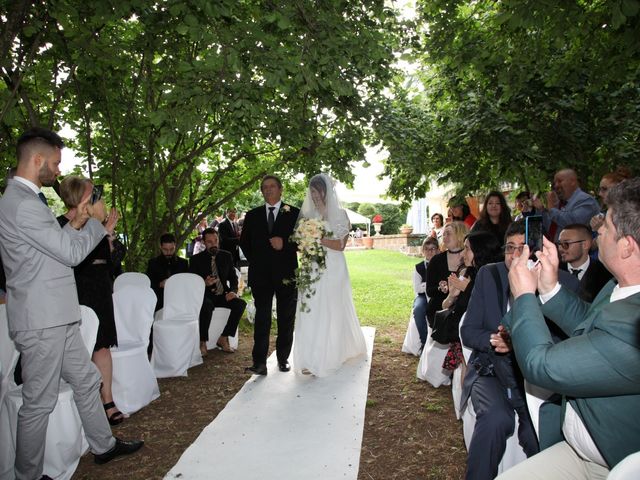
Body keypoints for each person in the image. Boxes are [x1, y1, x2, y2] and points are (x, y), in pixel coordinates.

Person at [0, 128, 142, 480]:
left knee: (86, 379)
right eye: (55, 163)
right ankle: (27, 475)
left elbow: (48, 250)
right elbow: (68, 255)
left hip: (56, 315)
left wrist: (78, 221)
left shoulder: (30, 200)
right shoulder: (20, 203)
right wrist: (95, 225)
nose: (58, 171)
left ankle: (103, 446)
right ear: (37, 160)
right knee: (39, 403)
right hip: (42, 319)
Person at [495, 177, 640, 479]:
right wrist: (549, 288)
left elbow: (541, 364)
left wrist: (524, 295)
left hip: (611, 463)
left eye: (607, 227)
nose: (598, 230)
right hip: (576, 450)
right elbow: (591, 323)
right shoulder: (620, 286)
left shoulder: (632, 330)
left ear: (627, 247)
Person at [460, 220, 579, 480]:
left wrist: (518, 344)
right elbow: (468, 331)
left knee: (536, 434)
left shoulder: (560, 284)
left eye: (521, 249)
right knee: (495, 420)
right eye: (509, 248)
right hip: (489, 369)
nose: (514, 256)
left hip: (536, 381)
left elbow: (569, 342)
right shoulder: (489, 275)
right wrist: (496, 340)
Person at [57, 176, 124, 426]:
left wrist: (109, 239)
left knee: (102, 345)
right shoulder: (58, 227)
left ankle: (108, 401)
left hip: (100, 289)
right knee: (78, 349)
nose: (101, 201)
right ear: (81, 199)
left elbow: (112, 263)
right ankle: (84, 405)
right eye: (95, 196)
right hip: (74, 292)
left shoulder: (98, 226)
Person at [292, 174, 367, 376]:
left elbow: (341, 245)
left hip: (333, 267)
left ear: (324, 191)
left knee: (331, 308)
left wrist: (319, 239)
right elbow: (300, 245)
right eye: (311, 192)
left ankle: (333, 353)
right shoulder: (309, 216)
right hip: (312, 267)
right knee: (311, 310)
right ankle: (310, 357)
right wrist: (306, 244)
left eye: (315, 192)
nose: (313, 196)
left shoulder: (340, 215)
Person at [239, 175, 300, 375]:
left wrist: (285, 244)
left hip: (286, 275)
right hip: (261, 276)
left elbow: (303, 241)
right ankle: (259, 363)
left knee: (285, 318)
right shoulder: (253, 215)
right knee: (262, 319)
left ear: (281, 189)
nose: (268, 190)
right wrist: (258, 261)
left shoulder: (294, 213)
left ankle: (283, 359)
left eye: (272, 186)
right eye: (264, 187)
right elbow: (245, 243)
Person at [439, 231, 502, 373]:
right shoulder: (466, 273)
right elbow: (445, 306)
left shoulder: (495, 277)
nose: (462, 254)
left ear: (480, 251)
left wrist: (468, 289)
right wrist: (452, 295)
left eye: (467, 249)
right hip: (461, 337)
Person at [190, 228, 246, 355]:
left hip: (223, 295)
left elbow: (233, 277)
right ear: (204, 243)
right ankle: (202, 341)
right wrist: (203, 283)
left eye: (216, 241)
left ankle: (224, 337)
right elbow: (192, 283)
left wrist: (233, 291)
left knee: (240, 304)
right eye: (209, 242)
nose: (214, 244)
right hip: (205, 295)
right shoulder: (195, 260)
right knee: (206, 305)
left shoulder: (226, 256)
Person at [533, 168, 600, 241]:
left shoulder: (586, 200)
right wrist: (542, 209)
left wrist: (551, 208)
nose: (556, 186)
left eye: (560, 181)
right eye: (555, 183)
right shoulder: (561, 204)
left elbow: (572, 224)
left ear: (573, 181)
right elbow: (551, 229)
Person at [426, 221, 468, 328]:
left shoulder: (470, 257)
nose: (444, 237)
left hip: (464, 309)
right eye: (443, 234)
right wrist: (440, 288)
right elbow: (429, 290)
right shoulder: (436, 260)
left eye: (448, 233)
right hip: (440, 310)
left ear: (460, 235)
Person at [557, 224, 612, 302]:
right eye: (559, 244)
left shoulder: (605, 273)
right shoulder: (553, 271)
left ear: (585, 245)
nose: (560, 248)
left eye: (566, 244)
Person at [147, 233, 189, 311]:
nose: (169, 252)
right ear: (160, 247)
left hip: (179, 300)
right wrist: (160, 284)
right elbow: (148, 284)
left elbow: (187, 284)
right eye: (165, 250)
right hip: (159, 300)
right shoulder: (153, 263)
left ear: (175, 246)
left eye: (171, 249)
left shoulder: (183, 263)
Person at [412, 237, 440, 347]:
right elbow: (418, 288)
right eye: (427, 249)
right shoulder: (419, 267)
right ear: (423, 251)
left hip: (439, 294)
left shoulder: (442, 264)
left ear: (438, 250)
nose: (430, 252)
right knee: (418, 309)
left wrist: (426, 284)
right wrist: (431, 284)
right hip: (423, 296)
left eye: (433, 248)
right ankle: (424, 342)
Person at [589, 167, 632, 232]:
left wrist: (602, 229)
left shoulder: (631, 217)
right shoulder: (604, 214)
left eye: (604, 189)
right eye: (600, 189)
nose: (600, 193)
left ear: (620, 190)